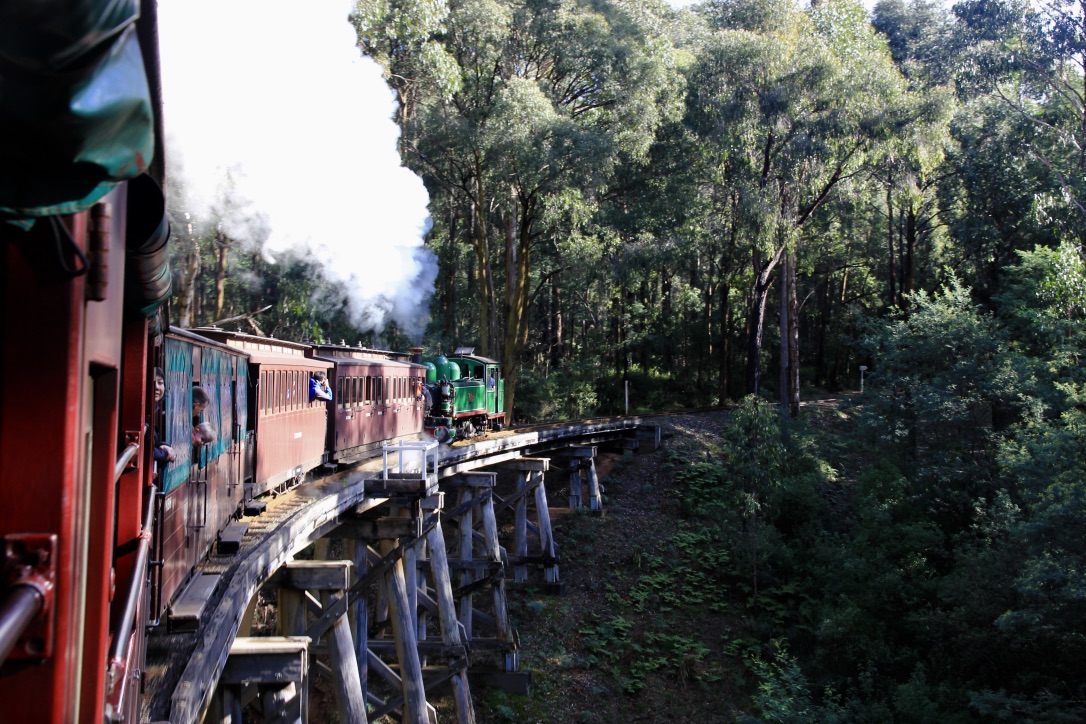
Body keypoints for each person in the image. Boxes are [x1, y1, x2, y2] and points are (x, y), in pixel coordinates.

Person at [153, 367, 175, 464]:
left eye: (160, 383)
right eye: (152, 382)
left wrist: (163, 446)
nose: (157, 387)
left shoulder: (154, 408)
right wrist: (165, 454)